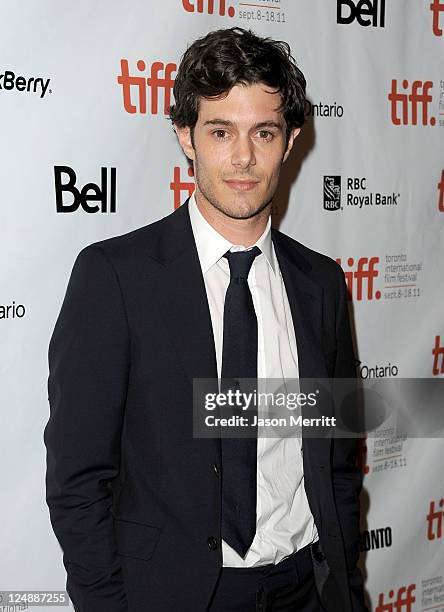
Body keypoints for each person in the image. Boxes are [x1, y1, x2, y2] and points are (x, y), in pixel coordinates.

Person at [44, 27, 367, 612]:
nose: (243, 157)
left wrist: (343, 586)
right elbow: (78, 482)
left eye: (263, 132)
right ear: (186, 137)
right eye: (221, 131)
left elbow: (337, 458)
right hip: (178, 595)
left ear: (290, 140)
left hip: (308, 589)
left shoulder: (321, 283)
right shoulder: (115, 277)